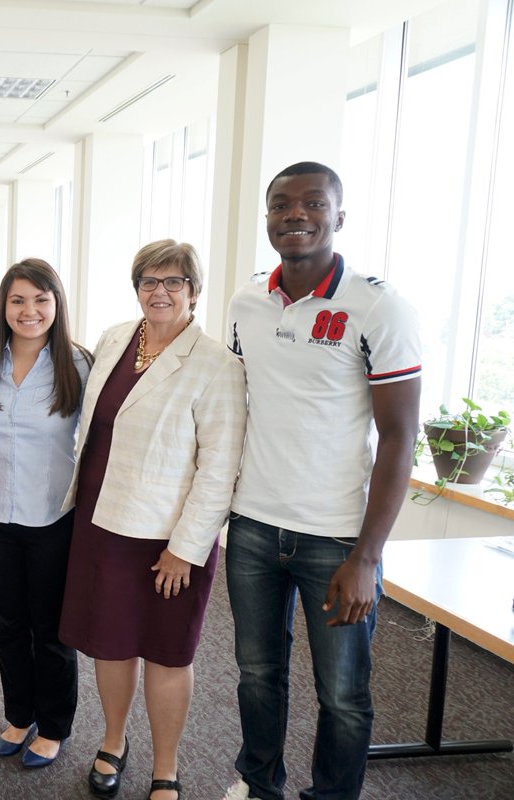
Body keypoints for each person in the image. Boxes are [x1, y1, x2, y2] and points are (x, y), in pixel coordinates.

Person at [222, 162, 420, 800]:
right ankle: (258, 785)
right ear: (269, 217)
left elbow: (399, 438)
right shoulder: (246, 301)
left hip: (335, 537)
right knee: (257, 676)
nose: (295, 214)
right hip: (251, 527)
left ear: (340, 216)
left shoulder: (377, 305)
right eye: (281, 204)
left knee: (342, 694)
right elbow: (236, 405)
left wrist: (368, 556)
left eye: (312, 203)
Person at [58, 240, 246, 800]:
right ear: (136, 287)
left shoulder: (216, 364)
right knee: (110, 644)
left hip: (168, 539)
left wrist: (186, 548)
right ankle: (113, 740)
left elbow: (220, 467)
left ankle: (166, 767)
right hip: (99, 523)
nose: (160, 292)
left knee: (167, 652)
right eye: (149, 282)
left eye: (174, 282)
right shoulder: (115, 339)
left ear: (194, 290)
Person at [0, 258, 92, 770]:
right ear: (4, 306)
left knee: (52, 628)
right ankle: (19, 714)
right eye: (18, 300)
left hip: (53, 516)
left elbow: (102, 439)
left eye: (41, 300)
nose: (29, 310)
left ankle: (55, 724)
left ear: (56, 305)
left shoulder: (78, 364)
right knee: (8, 621)